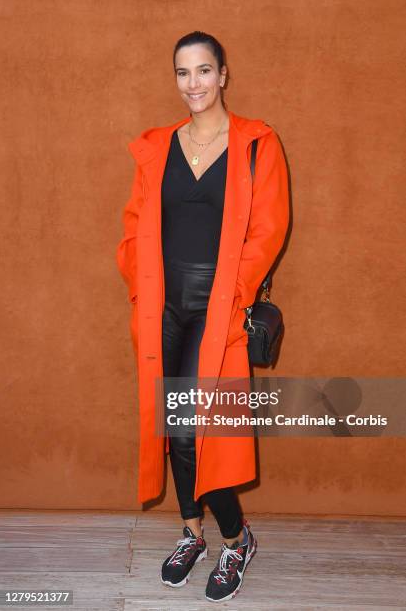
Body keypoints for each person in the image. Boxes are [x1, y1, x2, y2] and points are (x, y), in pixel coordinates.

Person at [116, 30, 290, 603]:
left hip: (217, 306)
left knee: (198, 429)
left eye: (204, 71)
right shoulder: (158, 146)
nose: (194, 84)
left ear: (223, 75)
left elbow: (268, 231)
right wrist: (139, 287)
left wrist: (233, 296)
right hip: (163, 307)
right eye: (183, 73)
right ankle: (191, 532)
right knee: (173, 429)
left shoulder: (256, 143)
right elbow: (136, 221)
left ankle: (237, 539)